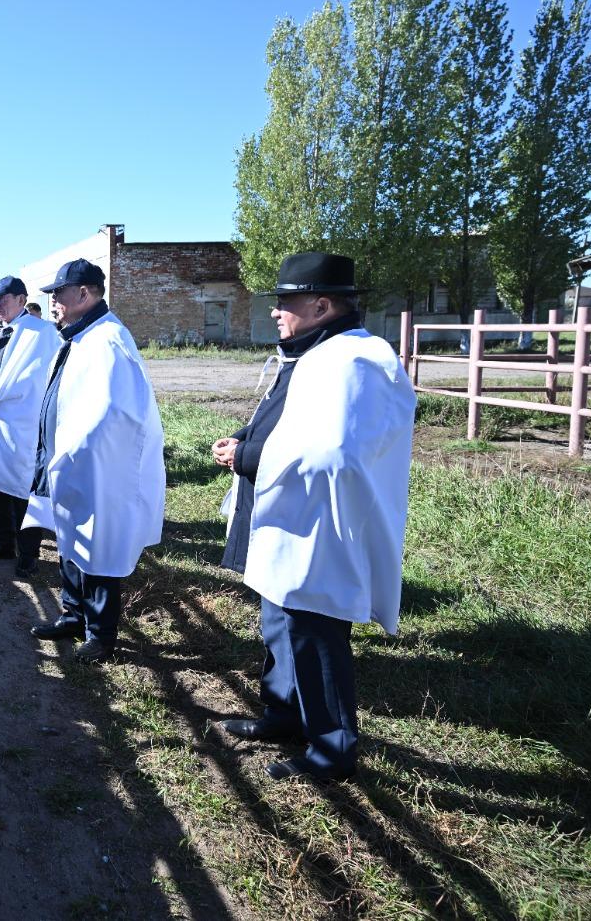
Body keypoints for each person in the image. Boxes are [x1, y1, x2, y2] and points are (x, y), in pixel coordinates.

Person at [210, 252, 414, 782]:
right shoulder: (316, 352)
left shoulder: (357, 360)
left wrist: (248, 457)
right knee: (279, 619)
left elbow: (335, 451)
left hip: (323, 523)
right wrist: (247, 441)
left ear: (321, 304)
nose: (276, 311)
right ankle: (284, 715)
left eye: (285, 301)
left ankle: (332, 749)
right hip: (291, 513)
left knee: (316, 632)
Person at [23, 259, 165, 663]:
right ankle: (73, 613)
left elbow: (112, 413)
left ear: (84, 294)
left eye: (58, 295)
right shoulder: (80, 336)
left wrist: (71, 453)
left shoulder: (109, 340)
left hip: (98, 467)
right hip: (70, 461)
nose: (52, 302)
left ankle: (101, 635)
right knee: (71, 537)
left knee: (99, 544)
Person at [0, 276, 59, 578]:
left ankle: (28, 553)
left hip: (21, 426)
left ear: (21, 299)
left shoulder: (43, 333)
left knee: (23, 491)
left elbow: (39, 377)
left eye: (3, 299)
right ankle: (3, 541)